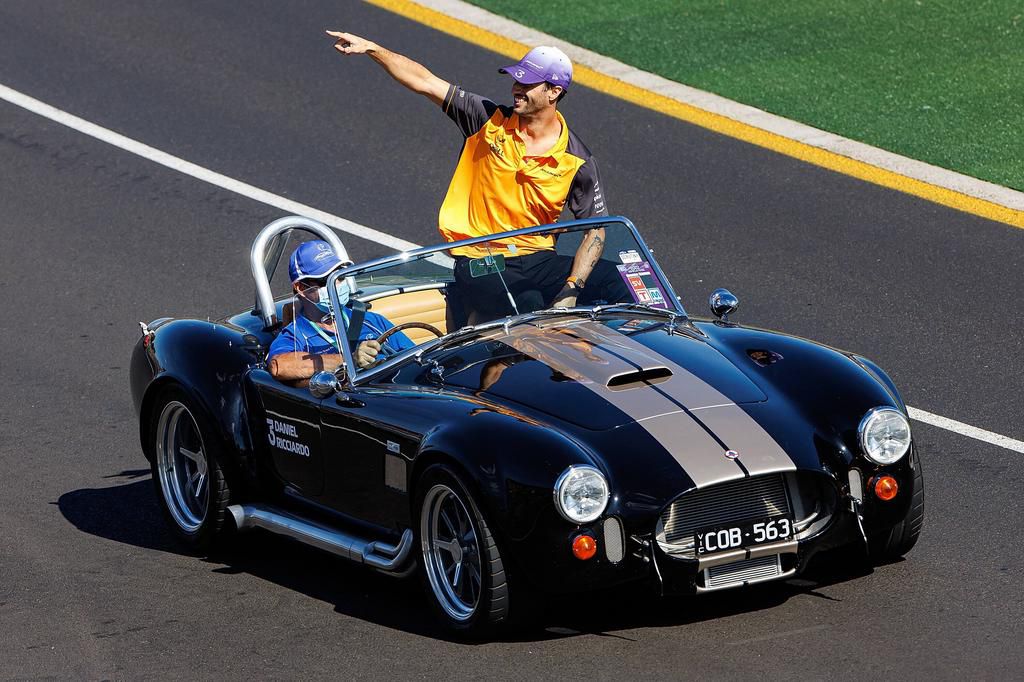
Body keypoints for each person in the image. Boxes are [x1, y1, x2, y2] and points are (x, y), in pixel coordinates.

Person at [325, 31, 629, 323]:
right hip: (481, 257)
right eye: (516, 80)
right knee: (528, 303)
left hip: (537, 258)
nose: (515, 89)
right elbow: (425, 82)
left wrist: (572, 288)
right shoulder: (485, 119)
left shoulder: (578, 159)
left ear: (554, 92)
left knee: (621, 279)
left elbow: (596, 230)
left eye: (528, 83)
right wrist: (372, 49)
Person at [267, 240, 414, 381]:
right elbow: (278, 366)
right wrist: (349, 360)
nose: (336, 284)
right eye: (326, 280)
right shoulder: (296, 334)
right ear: (301, 288)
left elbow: (415, 356)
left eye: (340, 276)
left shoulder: (371, 320)